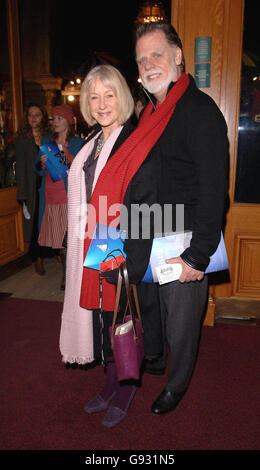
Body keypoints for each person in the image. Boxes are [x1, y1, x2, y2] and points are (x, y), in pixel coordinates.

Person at [122, 21, 228, 415]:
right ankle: (157, 358)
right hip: (148, 232)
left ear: (178, 57)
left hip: (183, 241)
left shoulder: (199, 111)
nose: (149, 64)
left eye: (157, 55)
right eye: (142, 59)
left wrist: (198, 257)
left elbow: (214, 190)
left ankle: (176, 385)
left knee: (182, 323)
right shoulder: (150, 113)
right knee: (152, 309)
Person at [59, 64, 163, 428]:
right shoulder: (93, 141)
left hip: (119, 246)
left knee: (121, 321)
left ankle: (125, 387)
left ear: (122, 97)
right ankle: (109, 383)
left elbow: (145, 207)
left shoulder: (135, 142)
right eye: (94, 96)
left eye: (109, 94)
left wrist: (131, 264)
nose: (102, 104)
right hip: (92, 244)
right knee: (103, 322)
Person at [34, 104, 84, 289]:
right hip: (50, 197)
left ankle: (67, 276)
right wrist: (42, 164)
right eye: (53, 118)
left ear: (68, 122)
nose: (55, 122)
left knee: (68, 239)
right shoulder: (48, 140)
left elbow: (81, 169)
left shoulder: (77, 143)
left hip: (68, 198)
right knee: (58, 241)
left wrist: (66, 156)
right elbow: (37, 170)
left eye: (59, 118)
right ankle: (67, 272)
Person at [15, 103, 50, 274]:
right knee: (35, 223)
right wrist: (21, 194)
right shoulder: (22, 139)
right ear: (26, 117)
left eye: (37, 114)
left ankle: (49, 252)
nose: (34, 117)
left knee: (46, 221)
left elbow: (59, 159)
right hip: (31, 186)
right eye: (30, 114)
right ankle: (38, 258)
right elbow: (20, 167)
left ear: (43, 116)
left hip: (48, 184)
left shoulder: (50, 136)